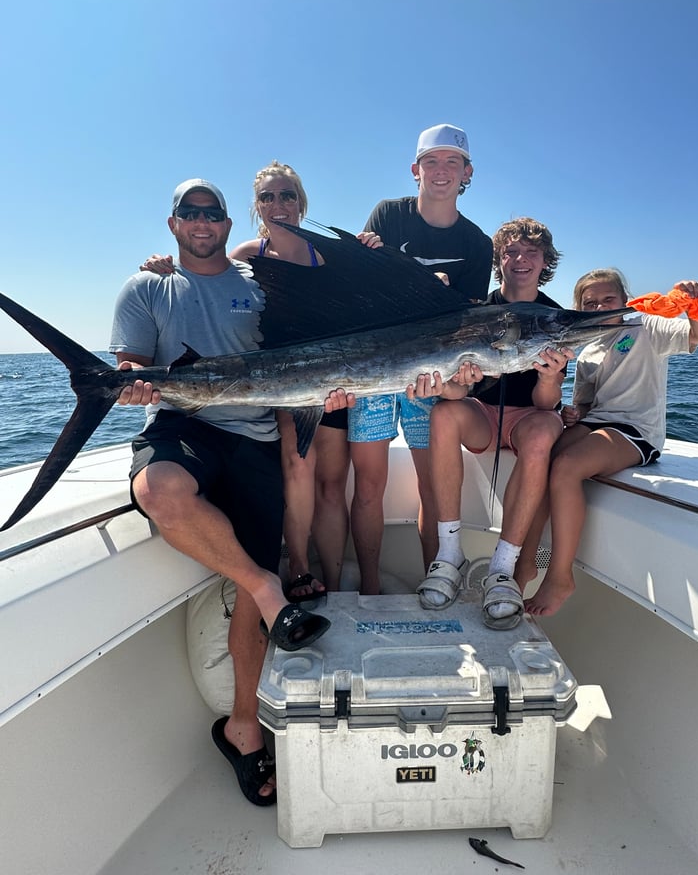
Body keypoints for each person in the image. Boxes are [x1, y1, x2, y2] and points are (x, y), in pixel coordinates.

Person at [112, 178, 333, 808]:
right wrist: (130, 381)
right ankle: (270, 591)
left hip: (257, 436)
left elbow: (306, 354)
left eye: (212, 213)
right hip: (183, 425)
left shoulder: (257, 286)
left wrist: (330, 390)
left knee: (246, 589)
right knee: (159, 489)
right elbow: (130, 362)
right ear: (174, 223)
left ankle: (242, 727)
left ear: (229, 224)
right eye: (191, 213)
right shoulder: (147, 285)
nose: (202, 222)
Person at [140, 161, 351, 602]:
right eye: (268, 197)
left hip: (341, 379)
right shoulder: (244, 259)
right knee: (297, 465)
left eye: (287, 195)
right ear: (255, 207)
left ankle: (340, 586)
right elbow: (203, 281)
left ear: (301, 202)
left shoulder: (329, 258)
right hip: (282, 386)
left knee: (334, 484)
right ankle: (296, 567)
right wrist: (161, 266)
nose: (279, 204)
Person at [523, 269, 698, 617]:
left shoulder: (648, 327)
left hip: (636, 431)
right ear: (580, 308)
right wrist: (574, 412)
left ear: (625, 300)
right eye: (590, 302)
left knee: (567, 467)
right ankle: (526, 562)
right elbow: (586, 404)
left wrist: (694, 306)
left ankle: (559, 577)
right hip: (598, 423)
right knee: (540, 457)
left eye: (607, 298)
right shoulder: (587, 351)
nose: (599, 305)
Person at [349, 124, 493, 595]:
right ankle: (370, 586)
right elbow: (360, 291)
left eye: (453, 162)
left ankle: (438, 580)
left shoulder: (477, 243)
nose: (441, 171)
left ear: (467, 172)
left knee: (432, 486)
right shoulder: (387, 215)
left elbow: (466, 321)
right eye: (432, 162)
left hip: (433, 373)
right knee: (369, 484)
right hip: (373, 367)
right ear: (416, 170)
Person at [411, 217, 571, 629]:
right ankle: (449, 554)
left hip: (529, 418)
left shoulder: (555, 317)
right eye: (511, 252)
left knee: (541, 434)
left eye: (530, 253)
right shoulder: (476, 312)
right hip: (482, 415)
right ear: (500, 260)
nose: (520, 260)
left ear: (544, 262)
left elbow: (545, 402)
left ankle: (504, 568)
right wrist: (443, 387)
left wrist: (551, 377)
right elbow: (457, 393)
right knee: (444, 414)